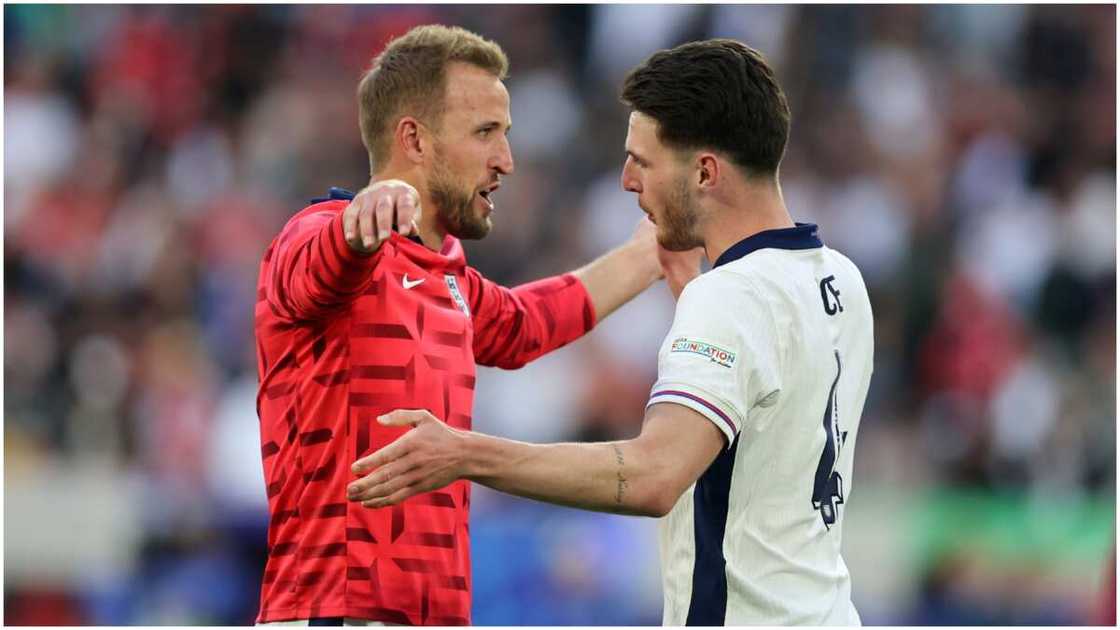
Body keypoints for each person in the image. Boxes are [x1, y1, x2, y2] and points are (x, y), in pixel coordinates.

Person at [347, 38, 875, 626]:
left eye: (642, 162)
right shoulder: (839, 279)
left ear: (704, 172)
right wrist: (657, 274)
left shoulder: (727, 297)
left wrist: (464, 452)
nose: (626, 181)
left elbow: (654, 477)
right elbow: (767, 409)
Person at [254, 25, 670, 625]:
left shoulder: (447, 275)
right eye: (485, 133)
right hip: (336, 612)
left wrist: (648, 253)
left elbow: (528, 323)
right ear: (414, 141)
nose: (506, 159)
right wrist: (357, 224)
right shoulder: (313, 236)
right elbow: (319, 267)